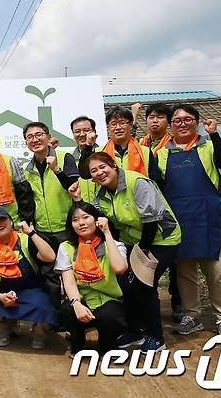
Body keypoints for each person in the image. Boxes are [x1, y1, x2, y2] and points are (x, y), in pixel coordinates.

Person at [75, 151, 181, 352]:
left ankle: (156, 337)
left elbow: (151, 222)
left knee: (142, 283)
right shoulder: (102, 194)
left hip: (161, 239)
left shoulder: (137, 182)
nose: (99, 173)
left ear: (113, 165)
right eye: (93, 171)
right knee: (124, 282)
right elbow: (100, 220)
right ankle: (135, 330)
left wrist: (141, 252)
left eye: (102, 167)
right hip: (134, 240)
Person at [157, 105, 221, 335]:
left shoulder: (209, 145)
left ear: (197, 122)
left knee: (216, 271)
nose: (182, 123)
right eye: (177, 120)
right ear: (170, 126)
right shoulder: (163, 153)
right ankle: (193, 315)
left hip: (208, 217)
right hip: (179, 220)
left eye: (187, 119)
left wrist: (215, 134)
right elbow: (159, 184)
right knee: (185, 272)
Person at [0, 206, 58, 349]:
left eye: (3, 219)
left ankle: (40, 335)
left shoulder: (26, 240)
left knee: (45, 304)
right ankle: (2, 333)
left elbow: (50, 257)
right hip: (3, 292)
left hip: (32, 290)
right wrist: (0, 296)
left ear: (10, 221)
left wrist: (32, 233)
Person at [55, 202, 128, 357]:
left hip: (108, 299)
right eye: (75, 220)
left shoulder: (113, 245)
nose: (81, 223)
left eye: (86, 217)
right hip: (82, 298)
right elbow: (68, 281)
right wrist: (76, 304)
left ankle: (107, 344)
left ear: (96, 219)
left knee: (110, 316)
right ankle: (77, 341)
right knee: (67, 311)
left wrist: (107, 233)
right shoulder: (66, 247)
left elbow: (120, 268)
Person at [138, 103, 183, 322]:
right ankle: (147, 307)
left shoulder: (173, 146)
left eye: (160, 117)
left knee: (174, 262)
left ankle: (177, 302)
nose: (154, 121)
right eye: (151, 117)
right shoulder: (140, 145)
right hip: (142, 212)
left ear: (168, 122)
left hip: (167, 211)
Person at [22, 121, 79, 244]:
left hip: (67, 227)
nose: (35, 139)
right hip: (41, 231)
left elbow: (74, 188)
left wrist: (57, 170)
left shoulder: (65, 157)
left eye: (39, 135)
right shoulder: (27, 169)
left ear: (48, 138)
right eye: (30, 137)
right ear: (26, 142)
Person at [78, 106, 161, 186]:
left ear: (131, 125)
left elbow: (156, 181)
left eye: (122, 123)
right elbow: (84, 174)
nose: (118, 128)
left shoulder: (144, 151)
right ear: (108, 127)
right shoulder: (99, 152)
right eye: (113, 124)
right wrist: (88, 147)